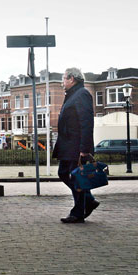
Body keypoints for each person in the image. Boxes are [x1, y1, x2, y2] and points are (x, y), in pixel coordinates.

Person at [53, 67, 100, 223]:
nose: (62, 83)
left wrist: (85, 149)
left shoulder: (82, 94)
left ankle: (78, 212)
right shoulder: (73, 94)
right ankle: (89, 200)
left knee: (76, 177)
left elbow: (86, 122)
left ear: (72, 79)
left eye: (64, 79)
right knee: (63, 173)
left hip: (75, 146)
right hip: (68, 145)